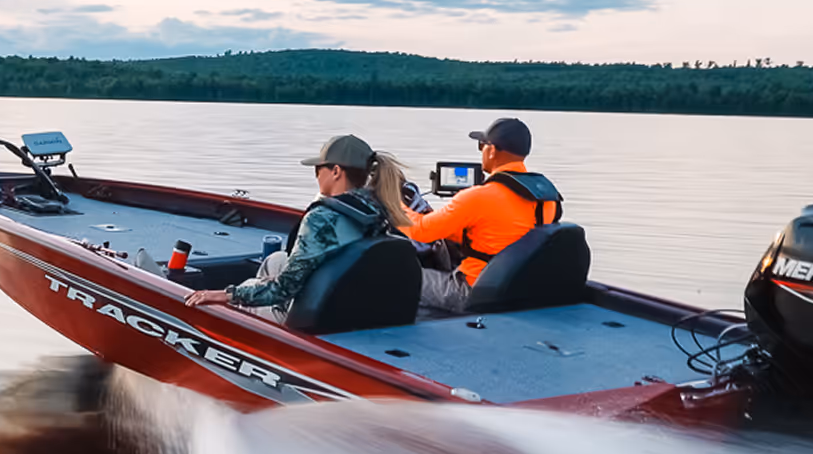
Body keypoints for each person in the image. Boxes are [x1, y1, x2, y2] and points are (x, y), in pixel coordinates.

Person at [185, 134, 390, 324]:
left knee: (237, 295)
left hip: (315, 317)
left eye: (319, 169)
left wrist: (224, 294)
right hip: (348, 299)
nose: (317, 175)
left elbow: (282, 290)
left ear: (336, 171)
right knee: (275, 260)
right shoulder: (379, 210)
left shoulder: (322, 219)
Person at [380, 117, 561, 314]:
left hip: (471, 291)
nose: (482, 151)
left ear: (491, 150)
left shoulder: (479, 196)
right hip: (517, 288)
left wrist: (394, 204)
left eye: (481, 145)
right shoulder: (546, 197)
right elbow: (503, 234)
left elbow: (422, 231)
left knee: (396, 275)